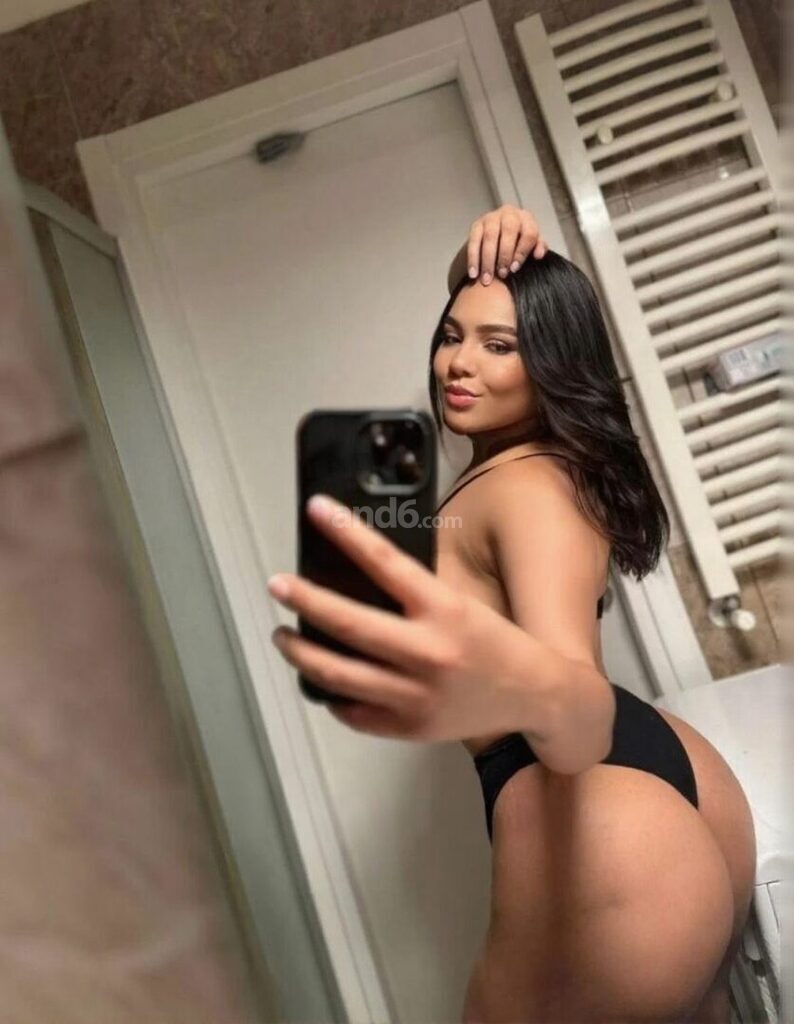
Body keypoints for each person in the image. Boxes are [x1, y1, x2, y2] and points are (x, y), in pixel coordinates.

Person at [267, 205, 756, 1023]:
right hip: (659, 784)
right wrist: (480, 253)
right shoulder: (541, 463)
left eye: (499, 347)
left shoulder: (524, 489)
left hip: (588, 815)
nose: (459, 363)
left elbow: (572, 690)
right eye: (450, 336)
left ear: (552, 364)